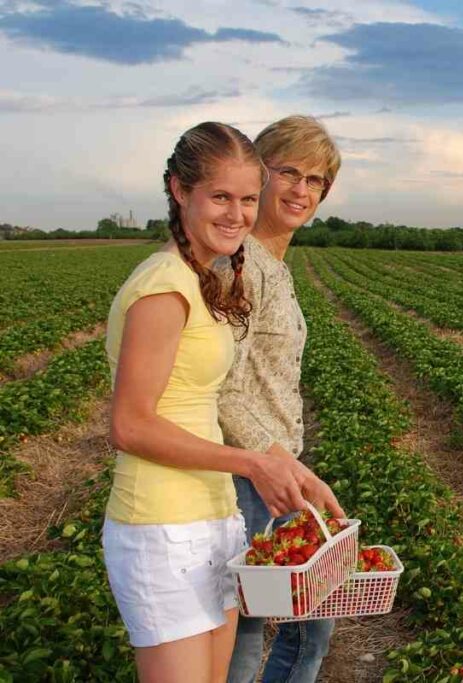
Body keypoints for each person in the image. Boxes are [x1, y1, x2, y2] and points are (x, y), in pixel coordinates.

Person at [102, 122, 336, 682]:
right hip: (163, 520)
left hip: (212, 512)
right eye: (221, 197)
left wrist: (288, 468)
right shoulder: (167, 285)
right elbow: (131, 425)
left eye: (246, 199)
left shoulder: (205, 275)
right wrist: (260, 462)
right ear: (180, 190)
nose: (236, 214)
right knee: (252, 648)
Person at [219, 115, 343, 683]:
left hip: (278, 469)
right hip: (250, 475)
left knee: (309, 620)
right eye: (288, 172)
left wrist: (290, 466)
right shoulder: (240, 266)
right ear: (258, 175)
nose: (301, 189)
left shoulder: (274, 266)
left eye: (315, 180)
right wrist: (276, 462)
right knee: (249, 628)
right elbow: (223, 389)